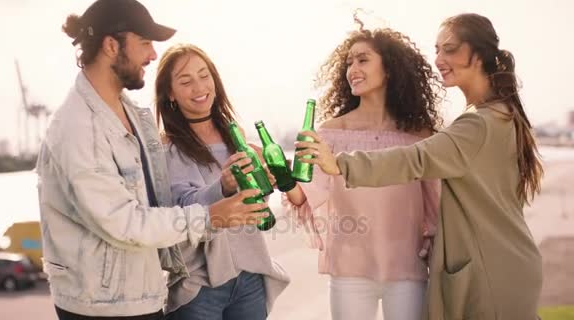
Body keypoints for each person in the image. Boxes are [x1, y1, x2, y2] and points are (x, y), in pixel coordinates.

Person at [297, 13, 544, 320]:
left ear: (478, 55)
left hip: (489, 270)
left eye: (450, 49)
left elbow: (414, 159)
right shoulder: (501, 114)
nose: (439, 58)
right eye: (437, 49)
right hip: (505, 263)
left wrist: (340, 164)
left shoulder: (477, 123)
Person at [36, 1, 268, 319]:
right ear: (110, 45)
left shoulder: (132, 114)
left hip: (141, 296)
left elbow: (158, 205)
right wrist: (211, 216)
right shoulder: (78, 128)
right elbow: (125, 222)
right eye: (145, 43)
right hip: (100, 307)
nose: (153, 55)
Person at [281, 18, 442, 320]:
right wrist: (279, 174)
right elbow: (305, 196)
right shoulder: (331, 132)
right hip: (350, 270)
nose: (353, 69)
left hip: (408, 269)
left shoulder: (420, 137)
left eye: (363, 60)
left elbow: (436, 208)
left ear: (390, 68)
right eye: (349, 62)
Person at [154, 43, 290, 320]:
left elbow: (254, 207)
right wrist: (223, 187)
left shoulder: (236, 137)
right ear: (170, 93)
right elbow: (183, 205)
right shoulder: (167, 148)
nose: (199, 87)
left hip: (250, 277)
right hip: (200, 286)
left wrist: (267, 181)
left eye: (204, 75)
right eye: (186, 81)